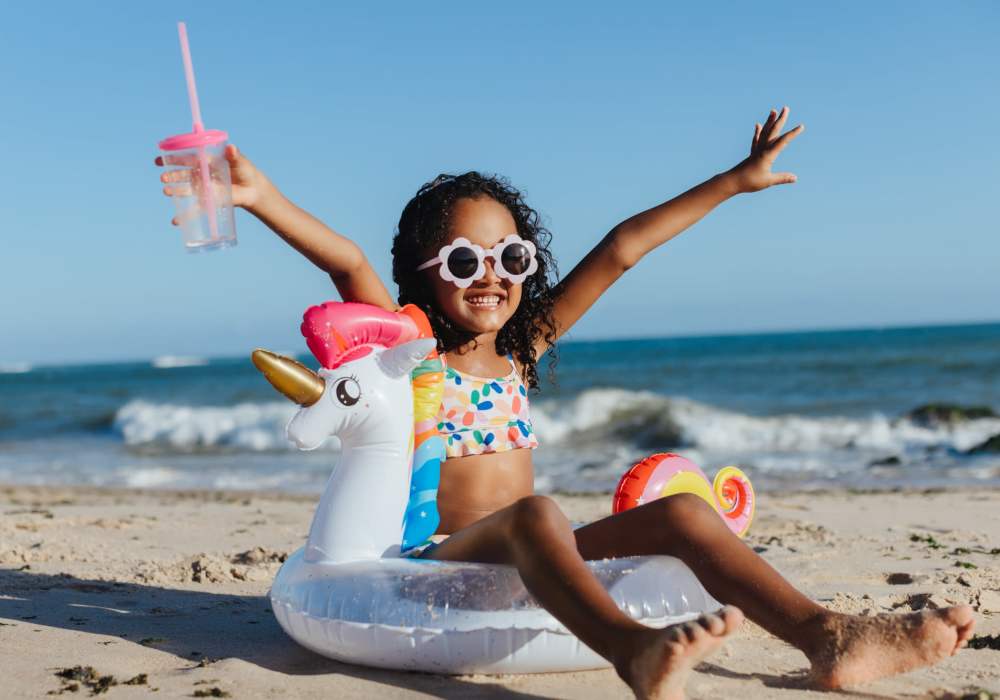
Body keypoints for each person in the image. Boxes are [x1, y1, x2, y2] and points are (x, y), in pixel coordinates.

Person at [157, 107, 975, 699]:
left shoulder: (522, 348)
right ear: (420, 274)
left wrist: (735, 180)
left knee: (688, 517)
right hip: (432, 563)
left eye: (509, 255)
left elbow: (622, 248)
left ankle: (827, 638)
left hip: (536, 550)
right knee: (538, 514)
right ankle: (631, 650)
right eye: (464, 259)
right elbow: (345, 262)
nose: (492, 275)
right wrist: (258, 196)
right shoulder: (408, 348)